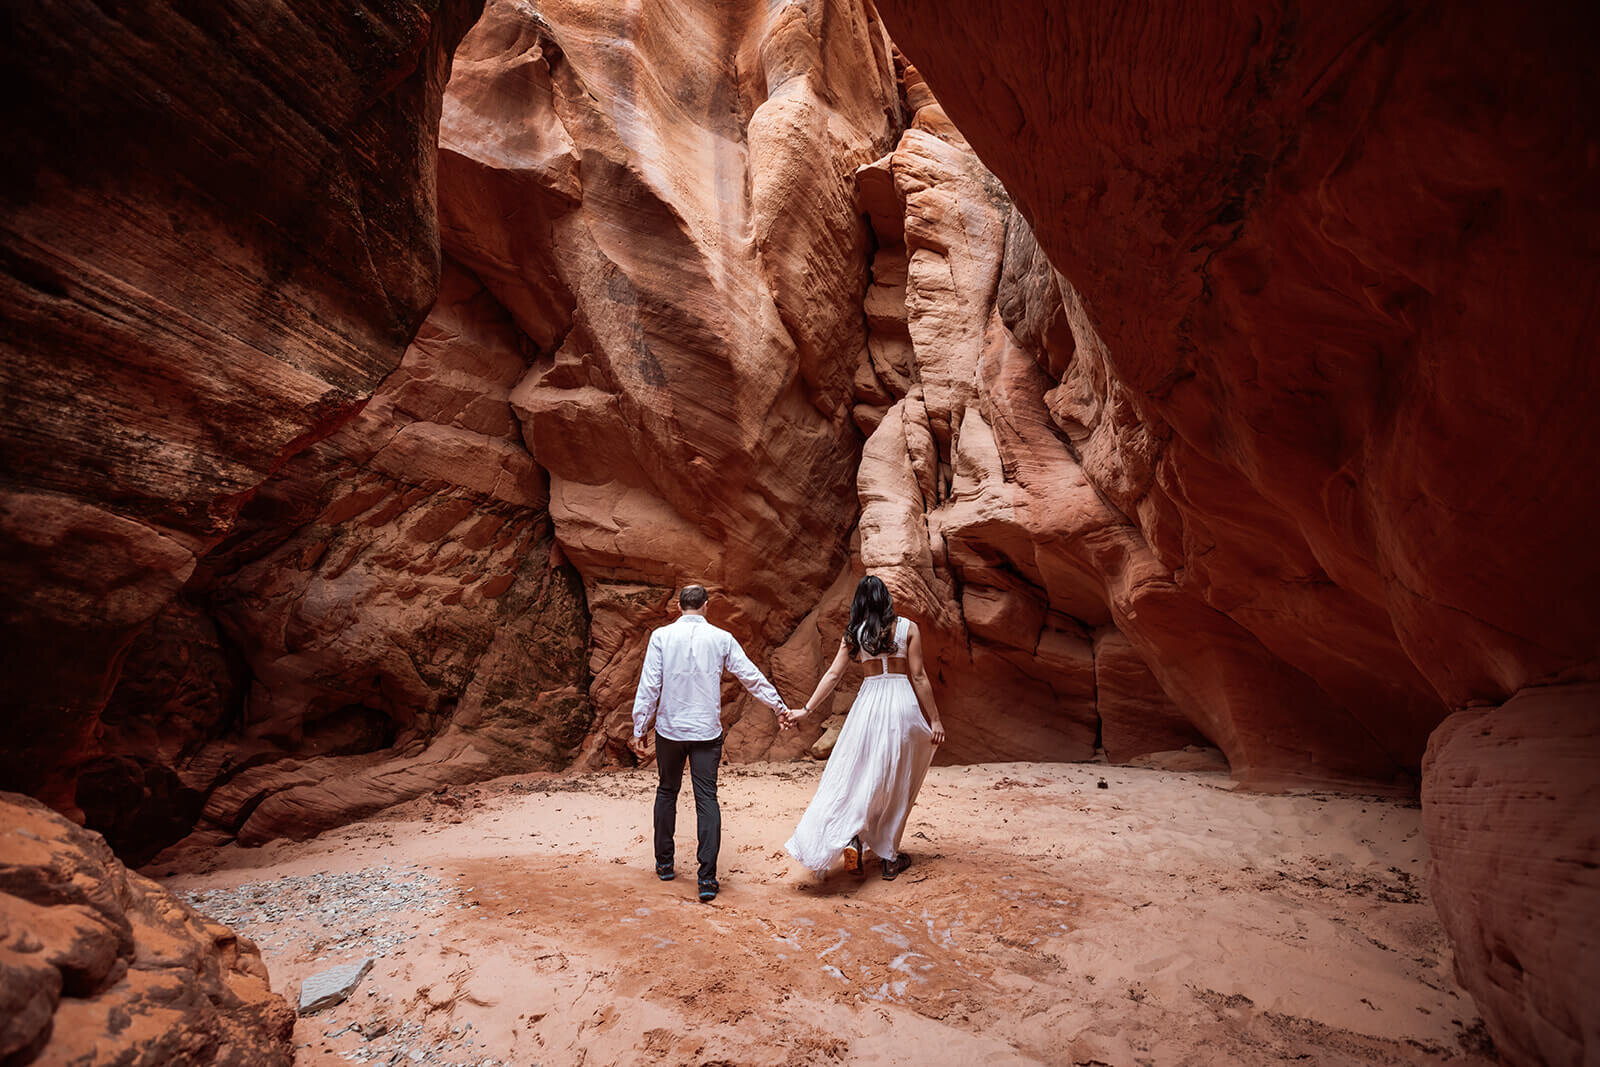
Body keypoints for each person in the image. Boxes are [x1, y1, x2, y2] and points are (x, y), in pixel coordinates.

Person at [631, 584, 791, 902]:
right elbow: (751, 676)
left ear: (679, 606)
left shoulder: (661, 637)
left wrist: (639, 728)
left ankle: (664, 864)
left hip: (670, 730)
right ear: (706, 605)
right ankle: (706, 879)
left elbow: (649, 684)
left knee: (666, 791)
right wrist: (778, 706)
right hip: (705, 732)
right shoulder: (721, 638)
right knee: (707, 799)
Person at [782, 575, 945, 879]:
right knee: (895, 779)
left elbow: (833, 675)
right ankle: (889, 857)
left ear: (859, 602)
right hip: (902, 706)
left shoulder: (855, 634)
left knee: (860, 774)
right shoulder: (908, 628)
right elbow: (919, 677)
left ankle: (853, 835)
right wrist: (934, 719)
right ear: (887, 599)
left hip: (868, 707)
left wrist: (806, 710)